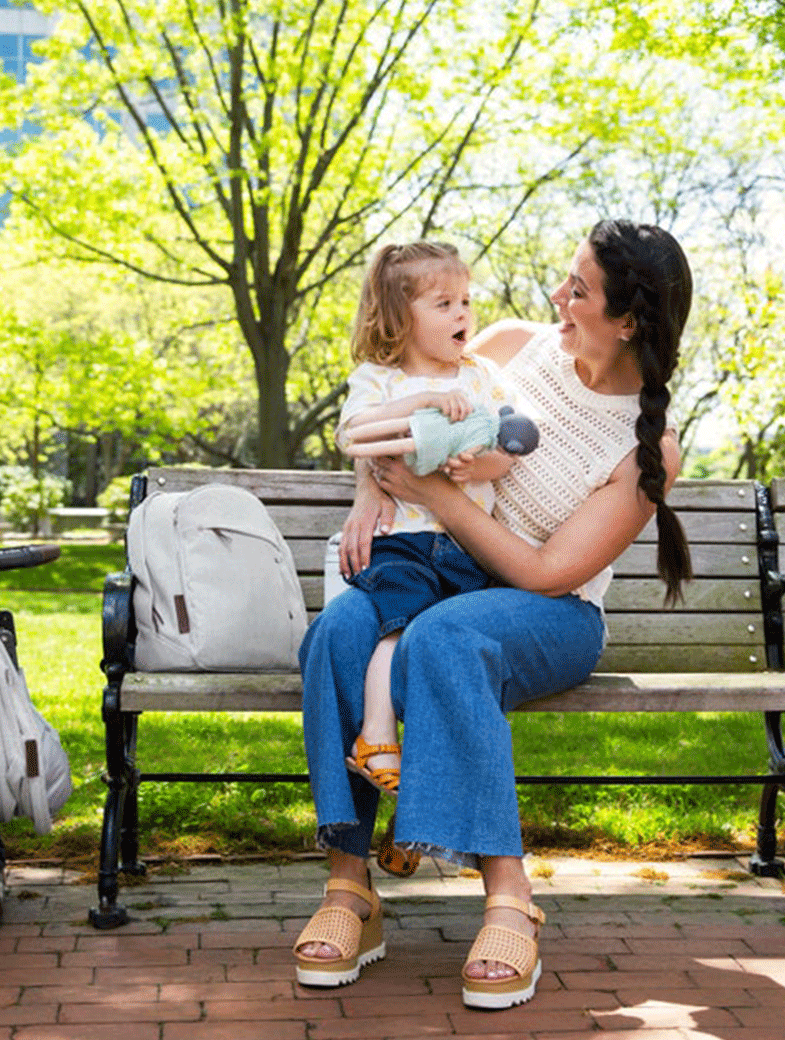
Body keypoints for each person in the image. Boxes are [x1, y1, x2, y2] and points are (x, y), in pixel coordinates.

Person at [292, 219, 693, 1011]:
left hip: (551, 612)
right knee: (336, 630)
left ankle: (511, 898)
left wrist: (431, 492)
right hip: (444, 576)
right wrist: (375, 492)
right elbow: (393, 429)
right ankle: (350, 887)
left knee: (448, 635)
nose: (556, 297)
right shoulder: (510, 348)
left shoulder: (649, 448)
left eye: (579, 290)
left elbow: (546, 572)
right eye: (566, 277)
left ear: (628, 322)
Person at [332, 241, 526, 802]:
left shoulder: (483, 376)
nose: (463, 313)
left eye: (465, 300)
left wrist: (477, 465)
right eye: (443, 304)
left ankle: (417, 798)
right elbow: (354, 435)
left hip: (467, 543)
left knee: (442, 657)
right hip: (404, 541)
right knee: (401, 629)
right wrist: (427, 402)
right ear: (398, 318)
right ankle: (375, 737)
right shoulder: (380, 379)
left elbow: (509, 448)